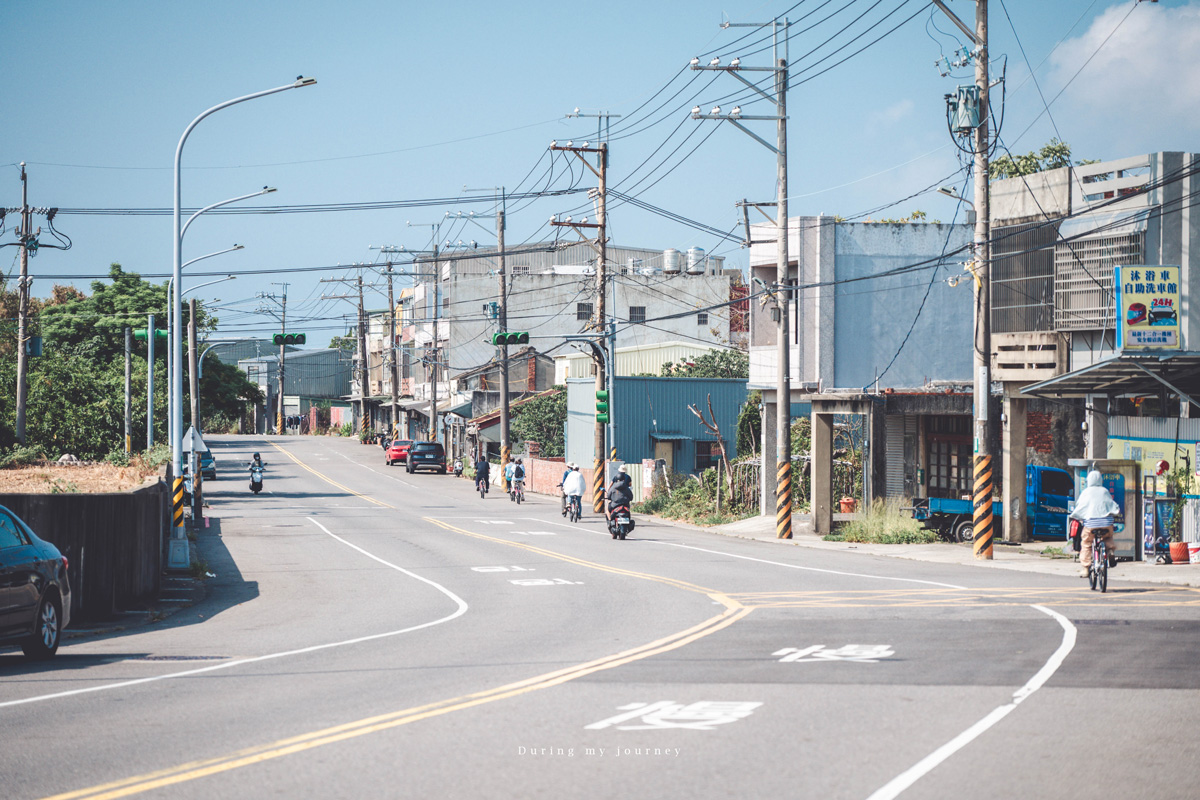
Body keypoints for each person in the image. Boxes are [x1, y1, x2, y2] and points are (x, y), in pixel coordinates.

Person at [1069, 470, 1120, 578]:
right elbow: (1113, 505)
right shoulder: (1104, 491)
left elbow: (1080, 506)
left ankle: (1086, 568)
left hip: (1091, 524)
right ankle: (1110, 550)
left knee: (1086, 544)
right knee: (1108, 537)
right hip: (1107, 523)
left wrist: (1074, 514)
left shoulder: (1086, 492)